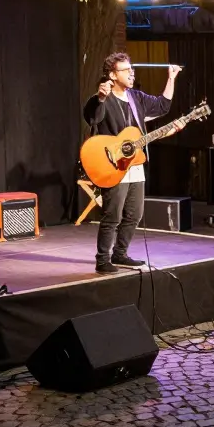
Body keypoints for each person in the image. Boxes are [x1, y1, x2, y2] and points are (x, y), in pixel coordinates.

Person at [83, 53, 179, 274]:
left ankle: (120, 253)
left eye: (131, 69)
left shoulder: (137, 98)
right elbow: (92, 118)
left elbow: (163, 106)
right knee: (112, 215)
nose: (131, 73)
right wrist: (99, 98)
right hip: (112, 164)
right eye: (126, 70)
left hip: (134, 162)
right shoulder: (103, 98)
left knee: (134, 214)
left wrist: (171, 78)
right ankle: (102, 259)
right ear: (112, 75)